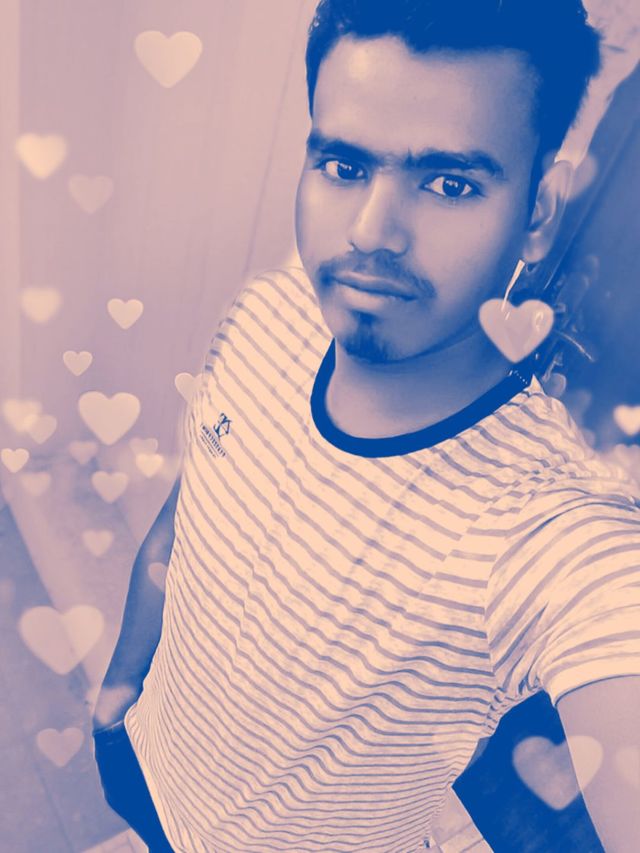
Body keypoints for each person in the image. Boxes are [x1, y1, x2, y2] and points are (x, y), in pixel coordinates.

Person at [92, 1, 640, 850]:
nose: (369, 233)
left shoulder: (552, 528)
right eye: (344, 165)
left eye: (449, 183)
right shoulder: (268, 312)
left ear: (538, 212)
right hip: (147, 770)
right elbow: (183, 519)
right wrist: (121, 691)